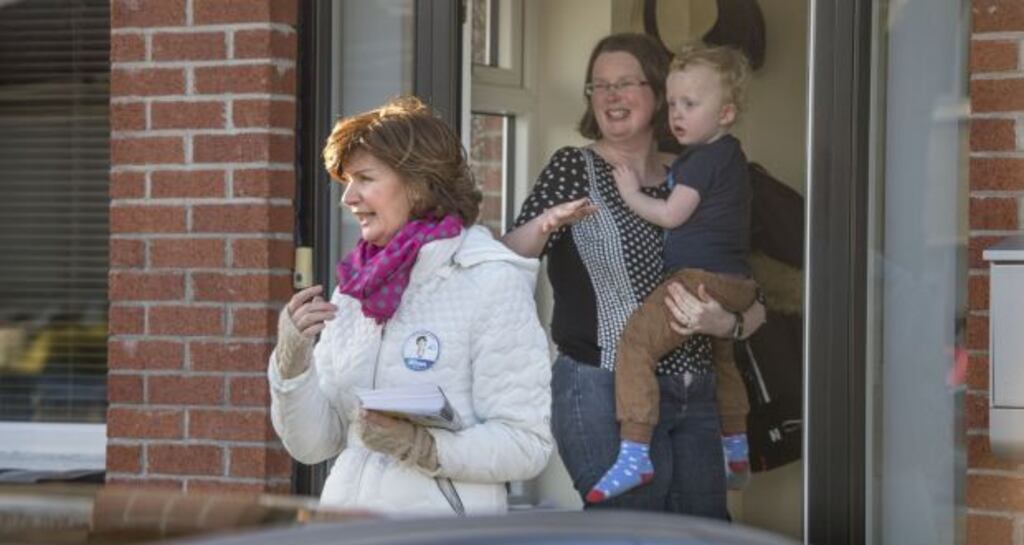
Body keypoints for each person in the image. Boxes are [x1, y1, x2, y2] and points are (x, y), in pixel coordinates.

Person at [501, 33, 765, 517]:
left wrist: (727, 324)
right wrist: (547, 222)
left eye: (625, 83)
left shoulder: (695, 170)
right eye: (599, 86)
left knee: (706, 531)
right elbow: (508, 256)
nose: (610, 96)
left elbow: (747, 285)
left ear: (659, 93)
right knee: (632, 529)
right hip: (601, 386)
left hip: (695, 388)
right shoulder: (574, 167)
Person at [268, 97, 553, 516]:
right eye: (347, 181)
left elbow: (527, 445)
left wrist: (423, 448)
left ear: (418, 185)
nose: (348, 197)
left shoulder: (491, 281)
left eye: (365, 179)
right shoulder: (356, 288)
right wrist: (291, 363)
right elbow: (313, 445)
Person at [589, 43, 758, 502]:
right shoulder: (732, 155)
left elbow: (670, 214)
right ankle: (736, 449)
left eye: (690, 104)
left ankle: (634, 453)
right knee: (723, 361)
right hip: (736, 282)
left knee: (636, 343)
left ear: (725, 113)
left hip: (698, 278)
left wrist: (629, 192)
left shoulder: (702, 160)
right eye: (673, 103)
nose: (677, 114)